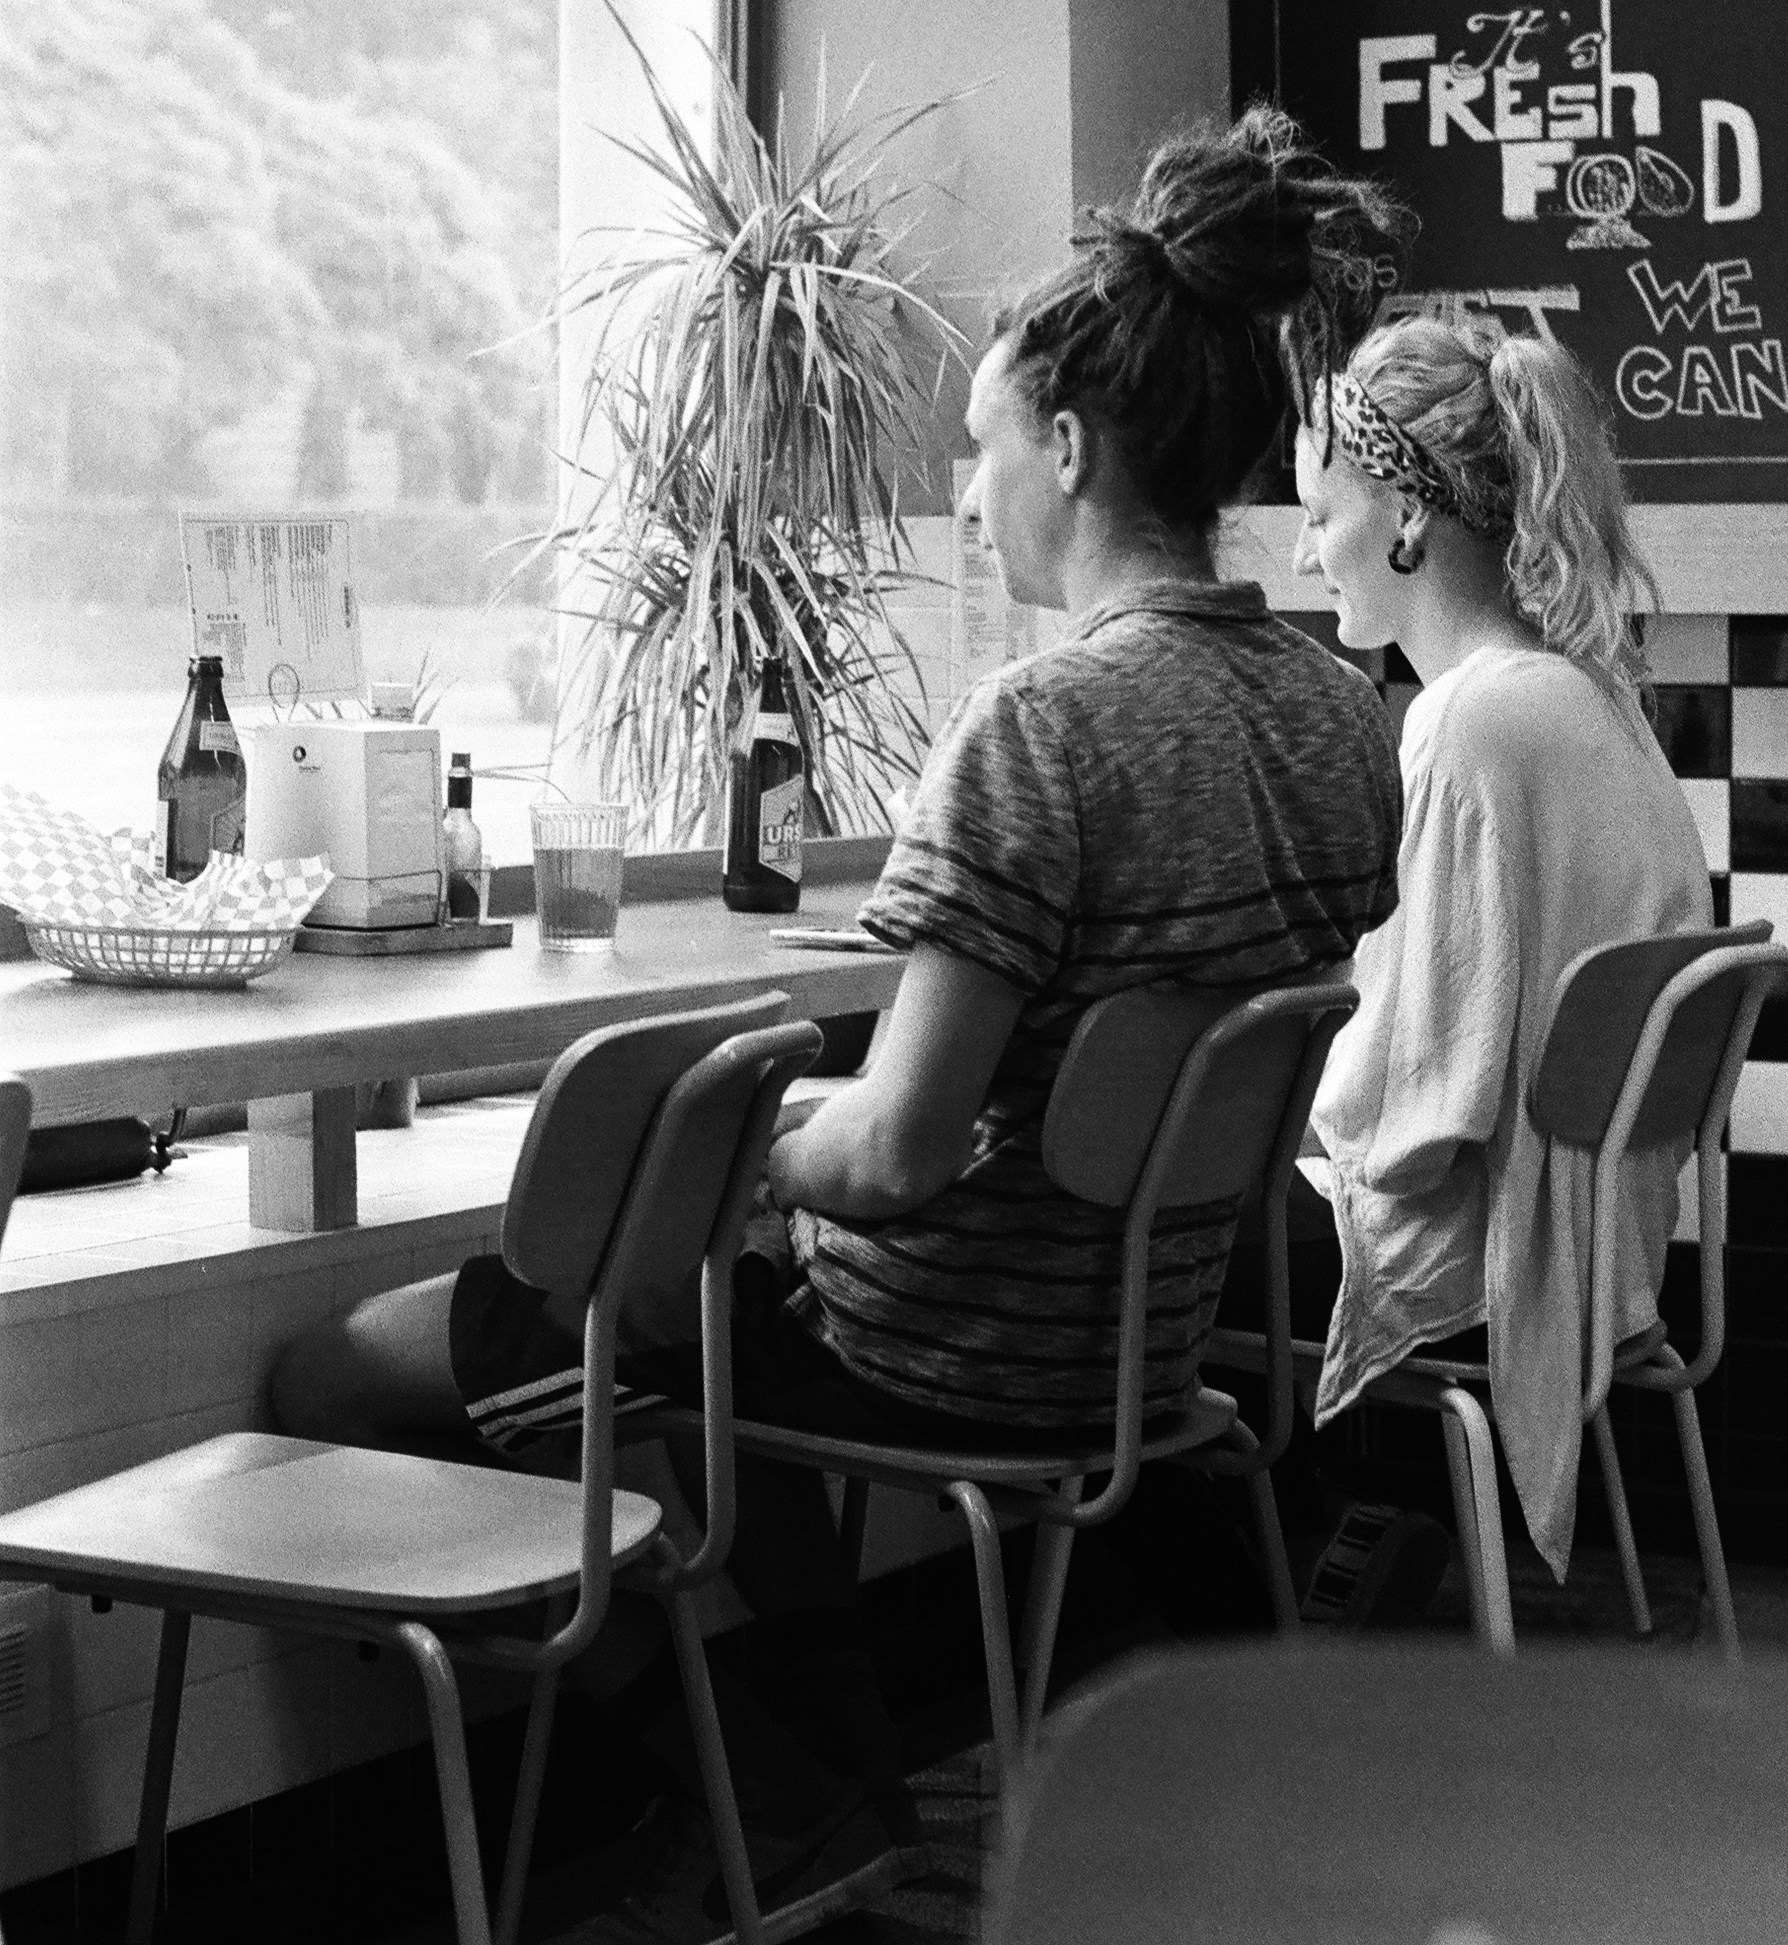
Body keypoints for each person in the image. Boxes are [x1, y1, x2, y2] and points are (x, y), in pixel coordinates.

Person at [270, 105, 1406, 1923]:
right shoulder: (1337, 706)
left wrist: (736, 1149)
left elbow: (885, 1155)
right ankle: (826, 1782)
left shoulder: (1038, 733)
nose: (963, 495)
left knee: (351, 1373)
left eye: (972, 451)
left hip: (945, 1348)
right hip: (1136, 1339)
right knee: (704, 1300)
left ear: (1064, 438)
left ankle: (762, 1774)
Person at [1280, 311, 1711, 1598]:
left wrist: (1248, 1086)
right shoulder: (1585, 693)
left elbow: (1414, 1106)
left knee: (1157, 1236)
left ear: (1407, 520)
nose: (1307, 551)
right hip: (1607, 1232)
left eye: (1319, 512)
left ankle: (1226, 1652)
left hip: (1499, 1246)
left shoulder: (1462, 726)